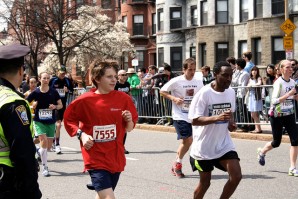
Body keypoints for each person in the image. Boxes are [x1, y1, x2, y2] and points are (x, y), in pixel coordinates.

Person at [64, 61, 138, 199]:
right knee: (109, 197)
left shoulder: (123, 99)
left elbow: (129, 128)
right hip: (95, 157)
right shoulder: (84, 100)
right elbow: (69, 120)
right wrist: (81, 134)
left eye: (115, 76)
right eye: (109, 77)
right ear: (97, 79)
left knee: (103, 196)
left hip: (115, 157)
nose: (114, 80)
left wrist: (129, 120)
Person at [188, 61, 242, 199]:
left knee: (236, 176)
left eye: (231, 75)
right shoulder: (204, 94)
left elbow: (230, 114)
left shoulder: (230, 92)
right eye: (225, 75)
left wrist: (231, 123)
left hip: (223, 144)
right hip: (203, 148)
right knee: (205, 183)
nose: (229, 79)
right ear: (215, 74)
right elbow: (194, 120)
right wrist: (216, 118)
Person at [0, 44, 42, 198]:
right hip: (7, 180)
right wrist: (31, 191)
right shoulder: (13, 102)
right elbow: (22, 152)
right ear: (20, 71)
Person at [160, 57, 204, 178]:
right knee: (188, 140)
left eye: (194, 69)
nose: (192, 72)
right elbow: (162, 91)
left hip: (193, 115)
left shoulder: (199, 81)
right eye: (190, 69)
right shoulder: (176, 81)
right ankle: (178, 163)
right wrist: (174, 98)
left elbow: (202, 96)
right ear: (183, 70)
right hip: (180, 115)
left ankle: (177, 162)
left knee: (190, 141)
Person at [257, 60, 298, 177]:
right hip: (277, 115)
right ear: (281, 69)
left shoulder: (293, 81)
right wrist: (289, 94)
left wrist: (295, 97)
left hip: (289, 114)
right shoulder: (278, 83)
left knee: (295, 140)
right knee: (276, 142)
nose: (291, 69)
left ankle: (292, 167)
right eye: (288, 67)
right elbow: (274, 100)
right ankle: (262, 152)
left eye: (292, 67)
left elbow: (294, 97)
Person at [27, 72, 63, 177]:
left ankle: (37, 149)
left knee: (48, 147)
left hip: (50, 121)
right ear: (40, 79)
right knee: (43, 141)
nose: (46, 80)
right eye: (44, 78)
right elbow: (24, 103)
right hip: (39, 121)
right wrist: (32, 105)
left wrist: (55, 107)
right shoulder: (36, 92)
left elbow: (61, 105)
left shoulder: (53, 92)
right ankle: (45, 167)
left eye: (47, 78)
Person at [49, 65, 73, 154]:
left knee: (57, 125)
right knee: (58, 125)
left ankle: (53, 141)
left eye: (64, 73)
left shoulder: (67, 80)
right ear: (57, 72)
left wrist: (67, 91)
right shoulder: (53, 80)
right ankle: (57, 144)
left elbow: (72, 91)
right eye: (61, 73)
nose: (62, 75)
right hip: (54, 105)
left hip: (62, 106)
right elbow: (47, 90)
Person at [234, 58, 254, 132]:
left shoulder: (245, 73)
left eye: (236, 64)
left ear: (239, 65)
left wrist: (241, 94)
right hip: (239, 94)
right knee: (240, 110)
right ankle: (242, 125)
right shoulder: (238, 72)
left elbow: (243, 85)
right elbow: (235, 81)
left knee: (244, 110)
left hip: (243, 94)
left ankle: (246, 125)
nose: (235, 66)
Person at [115, 69, 131, 154]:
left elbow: (129, 94)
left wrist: (131, 104)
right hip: (116, 109)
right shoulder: (115, 85)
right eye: (122, 75)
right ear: (118, 76)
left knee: (124, 128)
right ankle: (115, 145)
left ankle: (122, 146)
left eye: (125, 75)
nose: (124, 76)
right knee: (116, 128)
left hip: (125, 108)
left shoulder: (127, 84)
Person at [246, 66, 263, 133]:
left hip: (256, 97)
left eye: (255, 70)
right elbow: (247, 86)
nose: (254, 71)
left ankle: (258, 129)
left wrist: (252, 85)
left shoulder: (258, 78)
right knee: (252, 114)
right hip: (251, 96)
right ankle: (257, 128)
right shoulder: (250, 79)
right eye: (253, 70)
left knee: (255, 114)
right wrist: (249, 86)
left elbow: (259, 83)